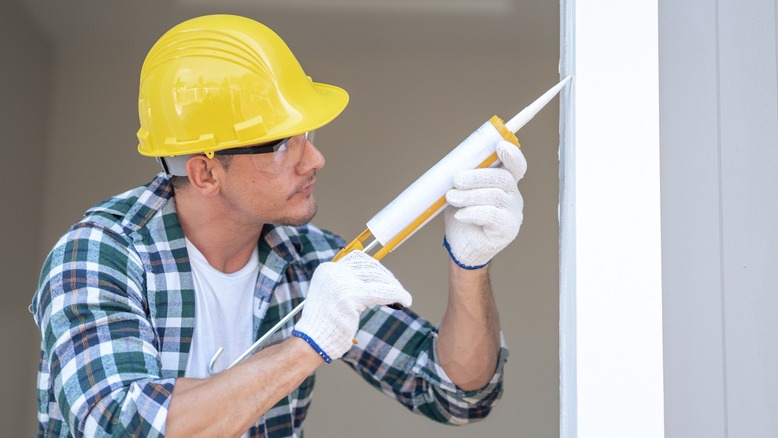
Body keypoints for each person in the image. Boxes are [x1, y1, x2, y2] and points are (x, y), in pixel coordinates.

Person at [31, 14, 527, 438]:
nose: (314, 159)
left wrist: (469, 266)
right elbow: (126, 425)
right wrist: (308, 345)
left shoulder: (309, 261)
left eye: (305, 134)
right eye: (278, 144)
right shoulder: (99, 255)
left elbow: (456, 394)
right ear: (205, 172)